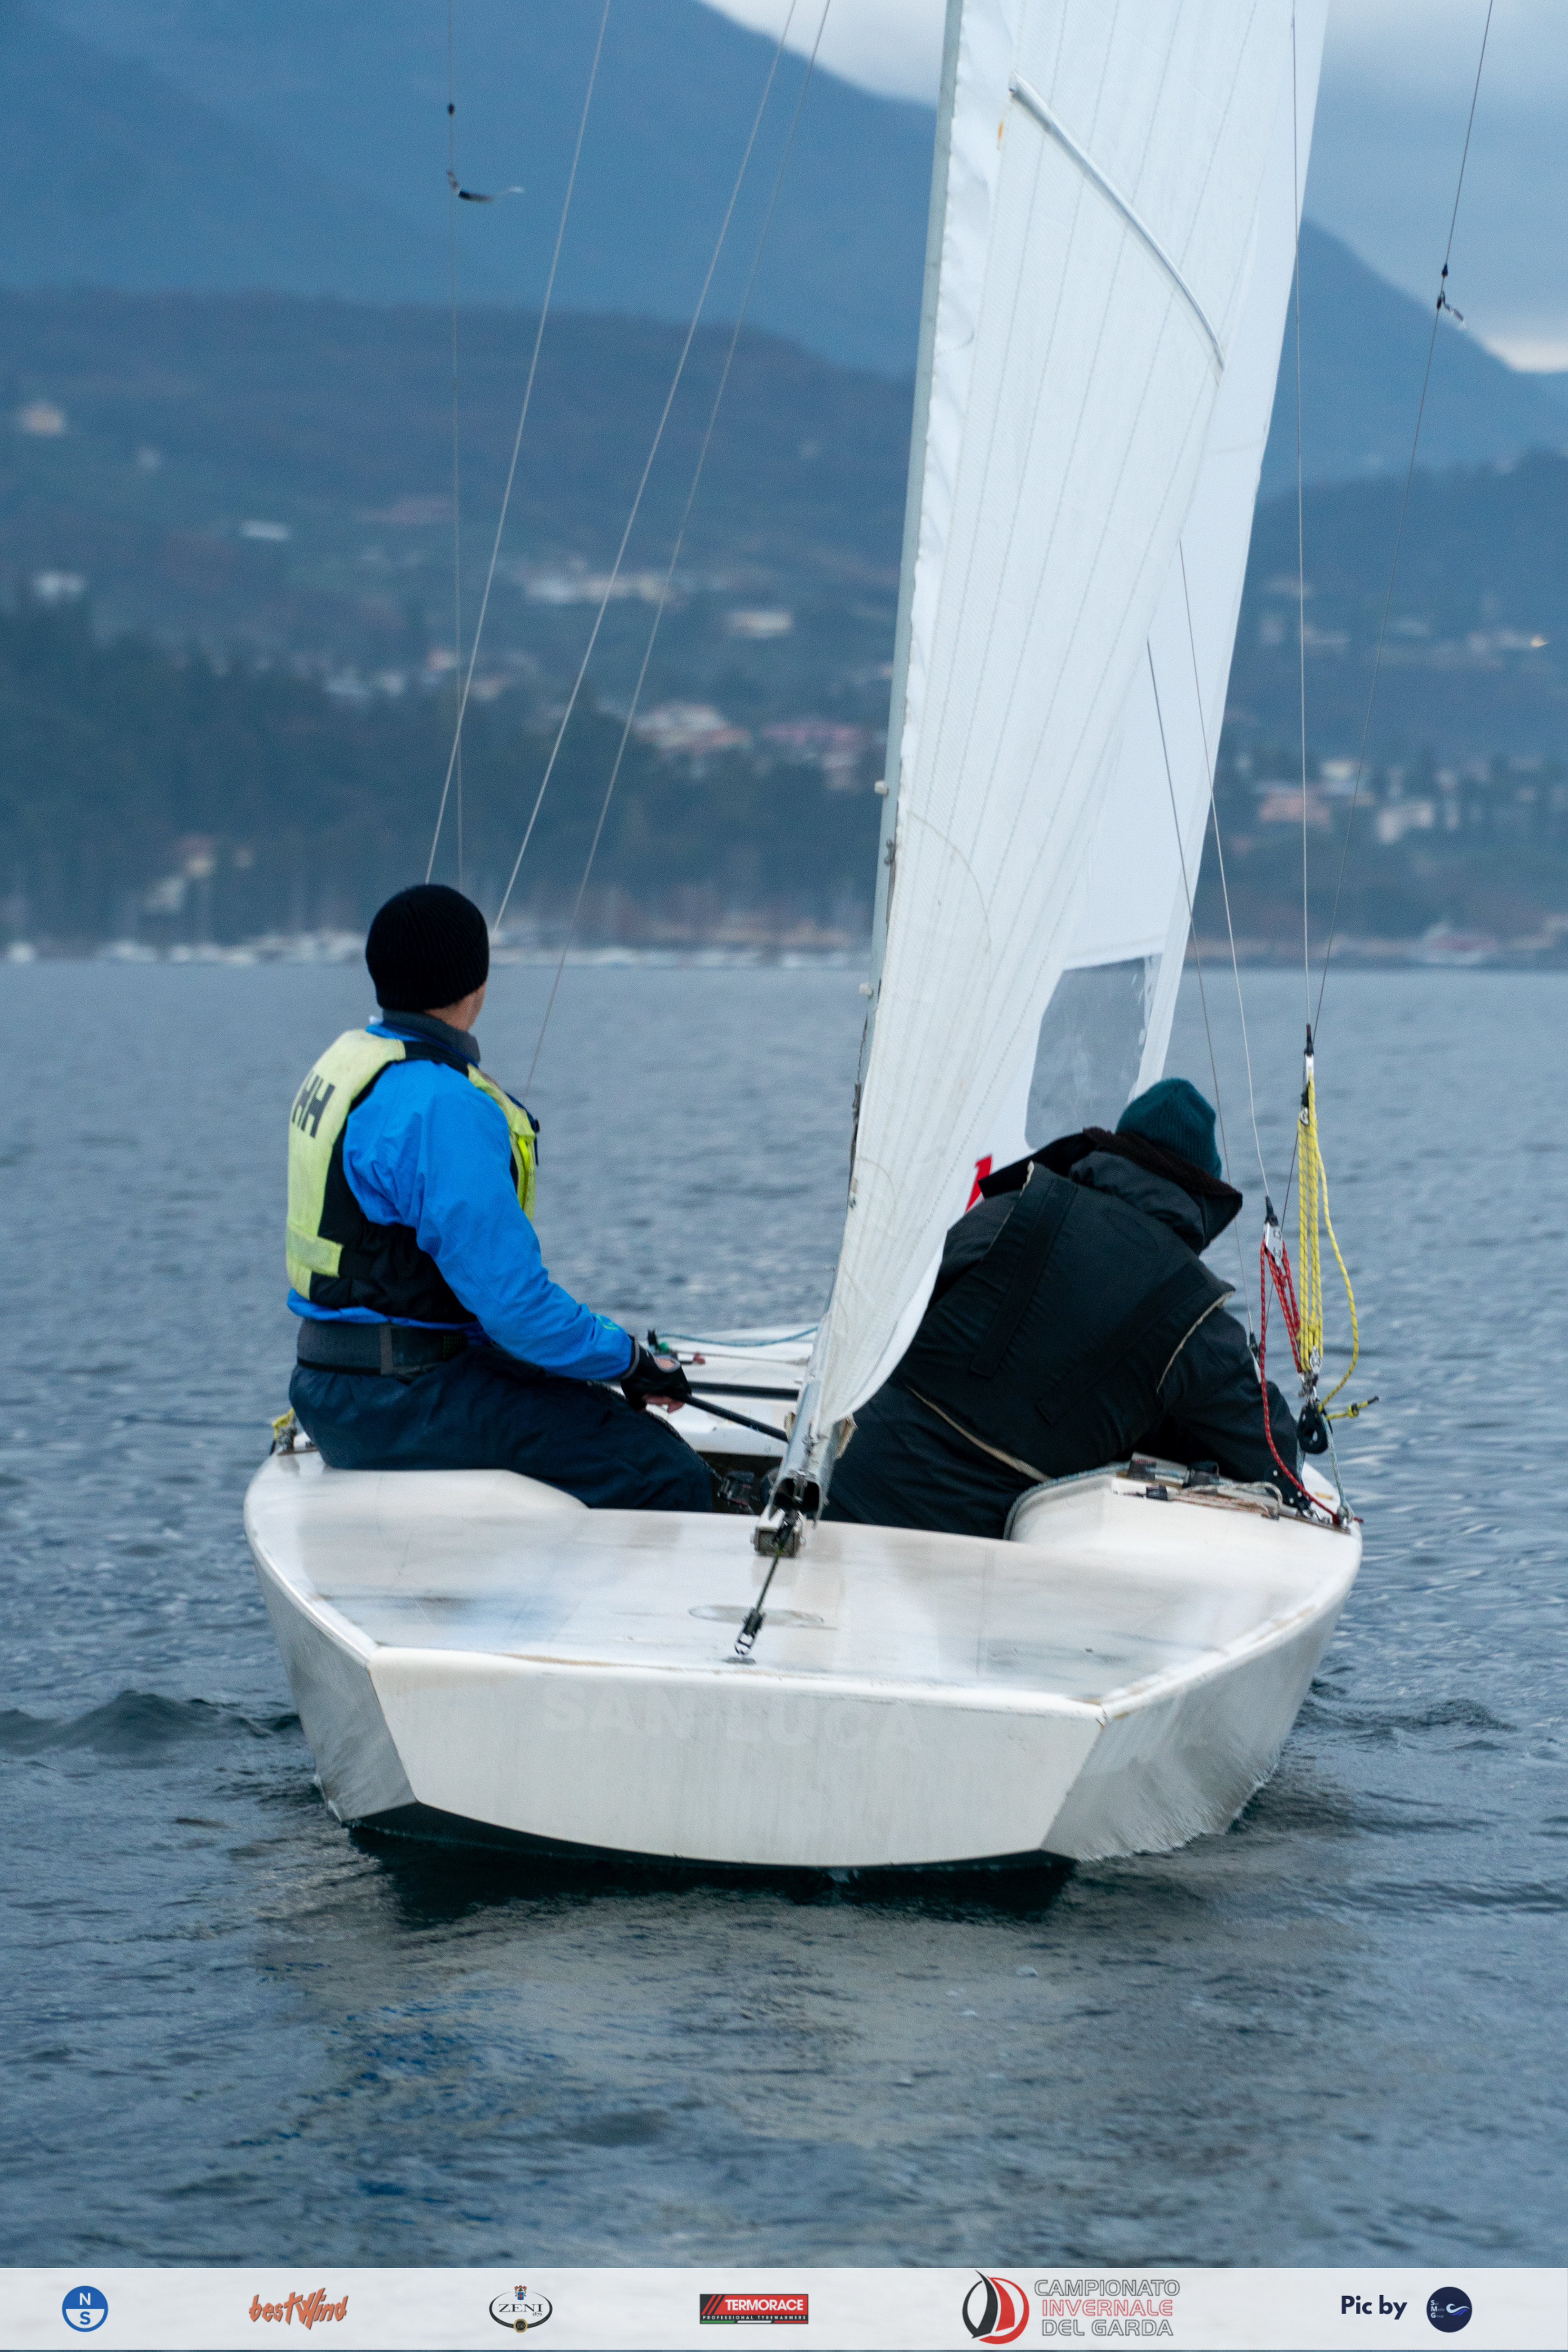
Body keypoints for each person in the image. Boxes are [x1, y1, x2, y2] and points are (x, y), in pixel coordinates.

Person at [284, 882, 711, 1512]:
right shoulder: (442, 1108)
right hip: (404, 1400)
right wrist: (630, 1363)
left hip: (328, 1388)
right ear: (476, 985)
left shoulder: (349, 1067)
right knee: (665, 1473)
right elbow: (515, 1309)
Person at [824, 1077, 1303, 1539]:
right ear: (1202, 1195)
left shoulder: (1011, 1209)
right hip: (959, 1550)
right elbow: (1275, 1457)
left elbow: (891, 1318)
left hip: (838, 1489)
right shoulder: (1194, 1316)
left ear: (1115, 1149)